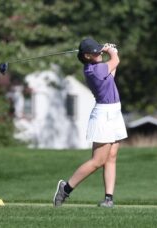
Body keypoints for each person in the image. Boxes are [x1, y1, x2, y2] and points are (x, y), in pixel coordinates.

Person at [53, 37, 128, 208]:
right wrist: (112, 51)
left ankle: (109, 198)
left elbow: (112, 72)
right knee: (97, 161)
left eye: (99, 49)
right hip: (103, 116)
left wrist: (106, 51)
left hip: (115, 112)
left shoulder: (100, 67)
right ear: (87, 56)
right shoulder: (93, 70)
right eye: (96, 52)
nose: (100, 52)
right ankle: (66, 188)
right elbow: (116, 60)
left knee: (111, 157)